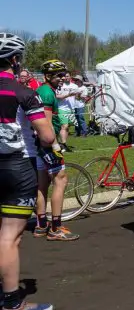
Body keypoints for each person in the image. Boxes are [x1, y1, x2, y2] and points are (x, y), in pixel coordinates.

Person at [0, 33, 56, 310]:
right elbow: (46, 135)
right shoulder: (23, 92)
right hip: (15, 166)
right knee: (9, 236)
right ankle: (12, 303)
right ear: (14, 59)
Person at [34, 60, 78, 241]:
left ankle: (41, 225)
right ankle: (56, 227)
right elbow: (45, 122)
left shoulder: (44, 91)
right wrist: (54, 145)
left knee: (42, 184)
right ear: (47, 76)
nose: (62, 78)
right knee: (61, 180)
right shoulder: (46, 93)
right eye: (58, 75)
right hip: (46, 143)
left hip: (37, 144)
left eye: (63, 74)